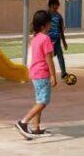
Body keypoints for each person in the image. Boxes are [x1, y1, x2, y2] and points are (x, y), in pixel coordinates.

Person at [15, 10, 57, 138]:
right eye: (49, 23)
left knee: (39, 101)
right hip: (42, 74)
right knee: (43, 102)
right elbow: (49, 59)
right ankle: (23, 122)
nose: (51, 25)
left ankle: (36, 127)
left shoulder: (35, 38)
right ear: (44, 25)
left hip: (34, 73)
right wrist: (53, 75)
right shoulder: (45, 39)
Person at [47, 0, 68, 75]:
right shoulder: (46, 15)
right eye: (56, 6)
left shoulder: (59, 16)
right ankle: (47, 72)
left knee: (60, 56)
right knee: (49, 57)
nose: (57, 8)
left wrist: (64, 42)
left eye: (58, 6)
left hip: (57, 39)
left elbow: (61, 30)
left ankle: (63, 72)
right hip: (48, 40)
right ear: (51, 5)